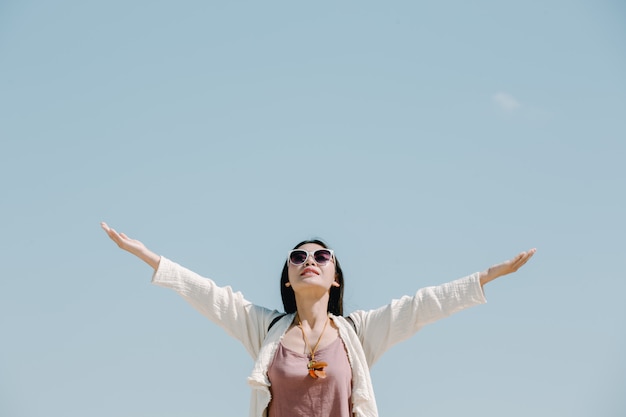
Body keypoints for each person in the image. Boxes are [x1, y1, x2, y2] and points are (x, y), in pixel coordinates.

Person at [101, 222, 536, 417]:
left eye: (321, 255)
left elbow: (423, 305)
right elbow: (208, 295)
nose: (310, 260)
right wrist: (148, 256)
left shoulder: (358, 334)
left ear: (334, 277)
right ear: (288, 278)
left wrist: (487, 276)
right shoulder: (265, 330)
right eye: (299, 256)